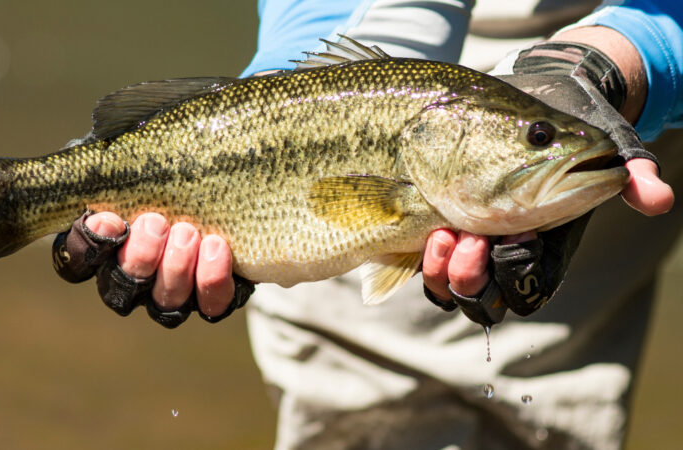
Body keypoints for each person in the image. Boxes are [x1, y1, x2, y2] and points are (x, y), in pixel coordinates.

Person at [53, 1, 682, 448]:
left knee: (537, 400)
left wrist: (624, 61)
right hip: (384, 60)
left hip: (612, 44)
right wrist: (295, 66)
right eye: (538, 138)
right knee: (361, 394)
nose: (546, 142)